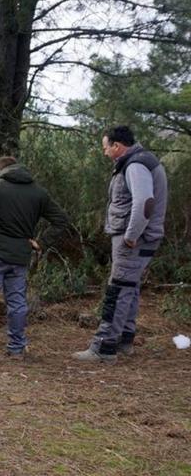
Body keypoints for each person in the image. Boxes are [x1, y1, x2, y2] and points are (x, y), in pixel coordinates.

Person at [72, 125, 168, 363]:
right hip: (144, 237)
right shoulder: (140, 162)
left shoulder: (135, 165)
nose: (104, 153)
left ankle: (103, 348)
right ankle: (124, 340)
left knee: (118, 290)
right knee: (130, 288)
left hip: (134, 240)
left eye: (106, 148)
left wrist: (131, 236)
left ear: (117, 146)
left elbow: (145, 202)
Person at [0, 156, 69, 359]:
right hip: (20, 256)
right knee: (17, 302)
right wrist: (41, 242)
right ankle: (17, 348)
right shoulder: (38, 192)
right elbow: (61, 220)